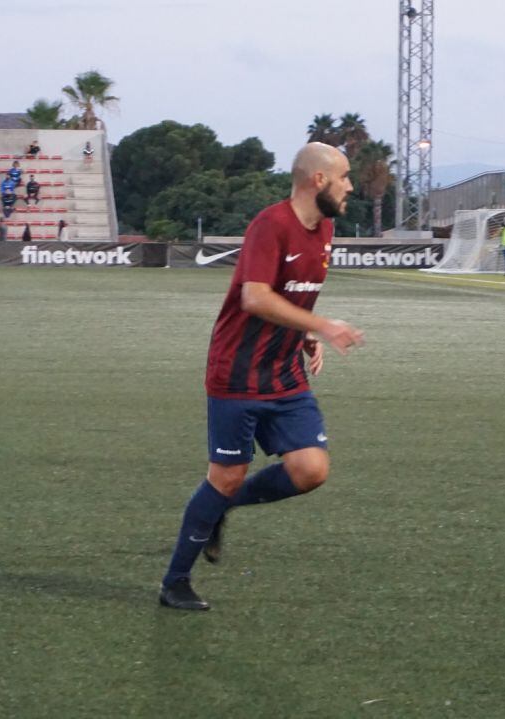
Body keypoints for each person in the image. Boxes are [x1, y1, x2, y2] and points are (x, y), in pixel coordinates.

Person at [158, 142, 365, 611]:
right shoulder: (270, 225)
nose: (350, 185)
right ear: (318, 180)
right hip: (237, 372)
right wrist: (322, 327)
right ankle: (175, 583)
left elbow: (295, 294)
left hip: (285, 372)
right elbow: (254, 297)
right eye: (344, 177)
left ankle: (221, 509)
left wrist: (305, 335)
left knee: (311, 470)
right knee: (226, 477)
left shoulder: (326, 229)